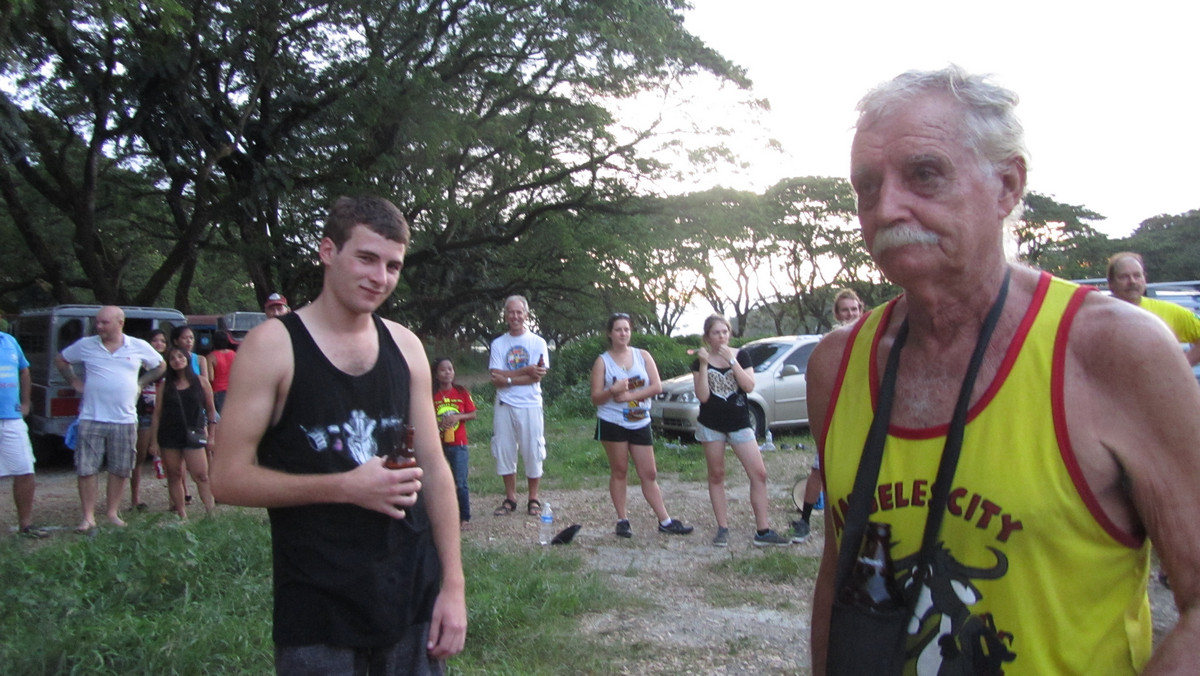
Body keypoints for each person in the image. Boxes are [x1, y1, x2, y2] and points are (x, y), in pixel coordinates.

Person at [808, 66, 1200, 674]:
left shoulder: (1114, 352)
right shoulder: (837, 366)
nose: (885, 207)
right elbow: (843, 570)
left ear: (1007, 186)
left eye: (924, 174)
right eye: (867, 186)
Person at [210, 195, 466, 673]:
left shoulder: (406, 347)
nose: (380, 277)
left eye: (393, 265)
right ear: (328, 251)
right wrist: (345, 487)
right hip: (317, 607)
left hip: (411, 595)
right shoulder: (273, 347)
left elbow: (434, 470)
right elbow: (226, 478)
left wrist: (453, 585)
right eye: (366, 258)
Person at [56, 306, 165, 532]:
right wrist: (74, 381)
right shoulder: (86, 345)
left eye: (104, 323)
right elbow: (62, 360)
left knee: (120, 468)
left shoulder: (138, 346)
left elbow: (160, 365)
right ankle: (88, 516)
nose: (99, 326)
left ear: (120, 323)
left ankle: (112, 512)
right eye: (97, 322)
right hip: (91, 416)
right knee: (87, 468)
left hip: (124, 418)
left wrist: (141, 383)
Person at [590, 313, 692, 538]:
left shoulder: (642, 355)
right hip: (612, 421)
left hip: (640, 420)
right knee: (620, 470)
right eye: (618, 330)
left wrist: (628, 396)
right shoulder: (602, 361)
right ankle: (622, 520)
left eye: (626, 329)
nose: (623, 334)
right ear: (610, 333)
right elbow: (596, 398)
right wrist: (612, 391)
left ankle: (665, 521)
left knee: (649, 472)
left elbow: (656, 387)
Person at [692, 314, 790, 547]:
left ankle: (763, 530)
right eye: (716, 333)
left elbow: (748, 386)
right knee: (717, 474)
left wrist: (732, 361)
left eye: (725, 332)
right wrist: (704, 365)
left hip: (740, 422)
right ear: (707, 337)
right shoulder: (700, 361)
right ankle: (722, 528)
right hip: (711, 424)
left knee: (759, 473)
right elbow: (703, 396)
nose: (721, 336)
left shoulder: (741, 355)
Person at [791, 289, 866, 544]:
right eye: (845, 310)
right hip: (836, 415)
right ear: (837, 314)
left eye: (854, 309)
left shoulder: (871, 337)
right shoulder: (829, 342)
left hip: (864, 413)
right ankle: (804, 521)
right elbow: (814, 377)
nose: (850, 314)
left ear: (861, 310)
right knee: (820, 467)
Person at [488, 295, 548, 517]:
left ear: (526, 315)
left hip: (530, 403)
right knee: (504, 449)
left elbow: (537, 376)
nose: (515, 316)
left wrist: (509, 378)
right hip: (504, 404)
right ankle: (510, 498)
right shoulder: (498, 344)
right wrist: (524, 370)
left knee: (533, 449)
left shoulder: (537, 342)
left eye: (519, 312)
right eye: (511, 312)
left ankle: (533, 498)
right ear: (505, 315)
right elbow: (495, 377)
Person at [150, 347, 217, 519]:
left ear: (187, 359)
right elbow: (157, 414)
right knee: (174, 475)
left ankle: (210, 512)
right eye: (172, 358)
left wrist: (211, 435)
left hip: (194, 433)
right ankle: (181, 514)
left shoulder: (201, 382)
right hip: (169, 434)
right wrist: (154, 441)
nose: (177, 360)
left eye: (180, 356)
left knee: (201, 475)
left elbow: (211, 411)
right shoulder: (165, 386)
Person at [1107, 251, 1200, 366]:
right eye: (1124, 277)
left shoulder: (1168, 311)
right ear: (1111, 283)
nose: (1132, 281)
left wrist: (1182, 366)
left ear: (1144, 278)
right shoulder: (1098, 316)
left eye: (1137, 275)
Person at [0, 328, 47, 537]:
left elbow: (24, 370)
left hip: (12, 418)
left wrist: (26, 402)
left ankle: (25, 525)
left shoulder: (9, 341)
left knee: (25, 469)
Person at [432, 357, 476, 530]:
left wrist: (458, 417)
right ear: (436, 374)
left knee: (460, 482)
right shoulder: (431, 395)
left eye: (450, 369)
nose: (447, 373)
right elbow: (425, 417)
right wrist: (438, 423)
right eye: (443, 370)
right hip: (438, 444)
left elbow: (472, 414)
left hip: (459, 443)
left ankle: (464, 517)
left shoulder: (461, 392)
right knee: (439, 481)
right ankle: (441, 516)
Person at [132, 328, 168, 511]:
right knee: (139, 457)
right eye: (155, 340)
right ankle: (135, 499)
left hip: (166, 415)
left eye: (162, 341)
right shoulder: (138, 366)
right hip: (144, 413)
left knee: (172, 457)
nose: (159, 344)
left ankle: (176, 499)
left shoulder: (171, 364)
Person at [206, 330, 237, 414]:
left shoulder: (211, 357)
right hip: (233, 389)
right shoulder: (233, 354)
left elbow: (211, 377)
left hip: (218, 390)